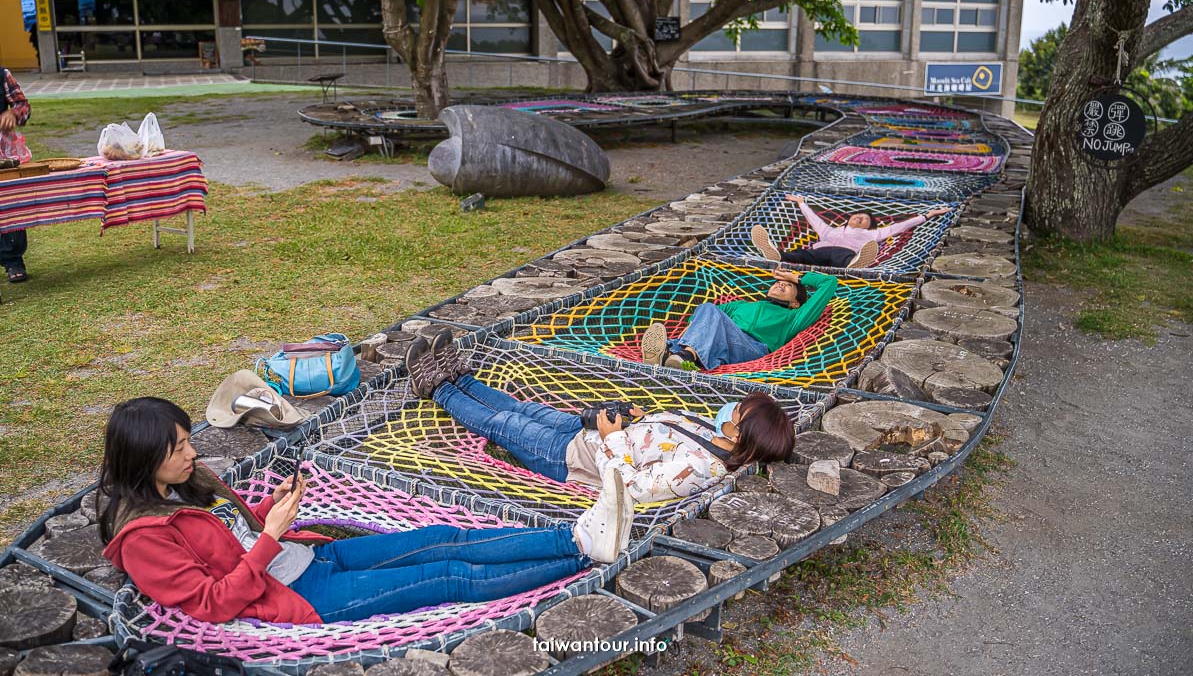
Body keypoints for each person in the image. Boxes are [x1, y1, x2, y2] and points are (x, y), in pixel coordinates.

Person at [99, 396, 633, 625]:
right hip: (301, 596)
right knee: (449, 576)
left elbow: (230, 532)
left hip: (312, 559)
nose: (191, 453)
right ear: (145, 460)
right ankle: (584, 553)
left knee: (444, 536)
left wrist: (271, 508)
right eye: (178, 448)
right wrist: (270, 538)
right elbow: (212, 603)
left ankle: (574, 537)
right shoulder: (142, 537)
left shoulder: (184, 485)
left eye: (188, 440)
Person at [405, 332, 795, 506]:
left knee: (503, 424)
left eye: (739, 410)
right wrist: (641, 417)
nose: (733, 409)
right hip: (586, 432)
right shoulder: (714, 434)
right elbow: (665, 433)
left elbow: (631, 489)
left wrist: (613, 439)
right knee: (517, 407)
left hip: (573, 458)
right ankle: (461, 377)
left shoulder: (703, 468)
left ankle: (437, 387)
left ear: (742, 430)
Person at [638, 267, 839, 371]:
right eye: (778, 282)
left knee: (712, 312)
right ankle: (675, 356)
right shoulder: (741, 305)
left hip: (752, 349)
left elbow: (829, 283)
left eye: (788, 286)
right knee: (707, 309)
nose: (780, 284)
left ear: (796, 302)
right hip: (720, 342)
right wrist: (692, 323)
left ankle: (675, 353)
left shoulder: (794, 316)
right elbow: (701, 315)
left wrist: (795, 276)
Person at [750, 193, 952, 269]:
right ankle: (778, 255)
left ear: (869, 225)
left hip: (844, 255)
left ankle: (854, 264)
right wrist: (802, 203)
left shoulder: (874, 234)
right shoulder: (829, 231)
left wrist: (928, 215)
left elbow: (902, 226)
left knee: (841, 255)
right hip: (820, 251)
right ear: (848, 219)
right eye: (857, 215)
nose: (860, 217)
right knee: (803, 254)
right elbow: (813, 219)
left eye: (865, 219)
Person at [0, 66, 32, 283]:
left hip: (3, 150)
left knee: (10, 203)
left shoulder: (3, 75)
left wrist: (13, 113)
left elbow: (23, 106)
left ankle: (13, 260)